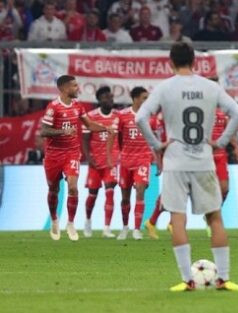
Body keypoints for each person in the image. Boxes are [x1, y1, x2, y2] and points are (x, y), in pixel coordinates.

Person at [136, 42, 238, 292]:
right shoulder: (210, 87)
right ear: (195, 61)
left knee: (178, 219)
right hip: (204, 159)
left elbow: (140, 117)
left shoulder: (164, 88)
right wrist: (220, 141)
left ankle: (187, 281)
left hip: (175, 161)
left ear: (170, 62)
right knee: (215, 218)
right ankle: (224, 279)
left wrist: (157, 145)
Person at [40, 75, 113, 241]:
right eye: (74, 86)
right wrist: (62, 132)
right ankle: (54, 220)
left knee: (73, 187)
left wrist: (104, 128)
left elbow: (89, 125)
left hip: (72, 153)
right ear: (64, 89)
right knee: (53, 189)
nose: (77, 88)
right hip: (53, 155)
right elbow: (44, 131)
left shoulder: (78, 107)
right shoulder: (53, 107)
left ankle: (71, 223)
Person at [107, 87, 160, 241]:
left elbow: (155, 141)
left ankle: (137, 229)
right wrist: (110, 157)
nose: (147, 101)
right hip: (125, 161)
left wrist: (159, 160)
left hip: (143, 159)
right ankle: (125, 228)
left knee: (140, 191)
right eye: (144, 97)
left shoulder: (151, 118)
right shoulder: (122, 116)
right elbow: (113, 135)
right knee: (125, 197)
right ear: (135, 98)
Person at [81, 86, 119, 238]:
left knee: (110, 191)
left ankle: (107, 228)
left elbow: (121, 137)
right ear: (99, 100)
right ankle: (88, 221)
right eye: (106, 97)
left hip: (111, 162)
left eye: (111, 97)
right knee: (93, 194)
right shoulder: (90, 116)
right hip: (95, 162)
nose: (110, 99)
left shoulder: (118, 116)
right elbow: (84, 140)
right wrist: (89, 159)